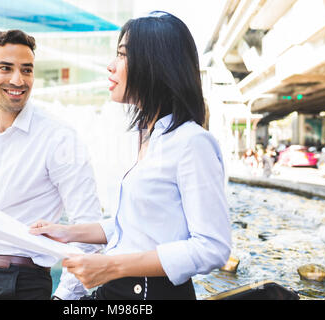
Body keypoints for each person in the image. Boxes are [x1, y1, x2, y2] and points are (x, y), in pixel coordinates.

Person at [30, 12, 231, 300]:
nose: (111, 66)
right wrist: (68, 232)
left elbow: (212, 247)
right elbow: (138, 226)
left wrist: (110, 266)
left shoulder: (192, 142)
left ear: (154, 65)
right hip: (121, 291)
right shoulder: (151, 137)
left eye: (122, 56)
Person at [0, 30, 102, 300]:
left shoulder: (59, 137)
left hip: (19, 280)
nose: (18, 80)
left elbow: (88, 227)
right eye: (5, 68)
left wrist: (64, 296)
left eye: (26, 70)